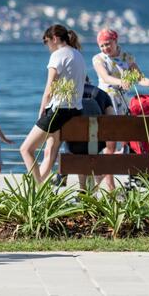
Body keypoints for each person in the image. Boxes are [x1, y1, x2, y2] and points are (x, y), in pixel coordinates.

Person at [91, 28, 149, 191]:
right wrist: (121, 82)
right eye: (102, 45)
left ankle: (101, 177)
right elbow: (105, 78)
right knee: (110, 146)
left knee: (127, 143)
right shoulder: (98, 59)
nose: (105, 48)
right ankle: (110, 186)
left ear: (116, 41)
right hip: (106, 103)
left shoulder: (127, 57)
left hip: (122, 103)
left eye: (108, 44)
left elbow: (139, 77)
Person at [19, 24, 86, 184]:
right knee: (50, 151)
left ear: (54, 38)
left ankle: (37, 190)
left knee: (26, 149)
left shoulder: (58, 55)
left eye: (46, 41)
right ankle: (41, 187)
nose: (47, 45)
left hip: (58, 110)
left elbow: (50, 88)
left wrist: (42, 110)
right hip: (75, 110)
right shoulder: (78, 55)